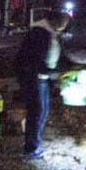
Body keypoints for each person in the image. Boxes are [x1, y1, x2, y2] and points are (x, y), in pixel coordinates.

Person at [14, 10, 71, 159]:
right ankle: (31, 147)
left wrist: (70, 66)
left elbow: (59, 54)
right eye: (64, 24)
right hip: (33, 78)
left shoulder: (52, 34)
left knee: (43, 110)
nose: (65, 27)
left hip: (44, 77)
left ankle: (35, 142)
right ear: (55, 21)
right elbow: (31, 59)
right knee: (36, 111)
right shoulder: (39, 33)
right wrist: (50, 71)